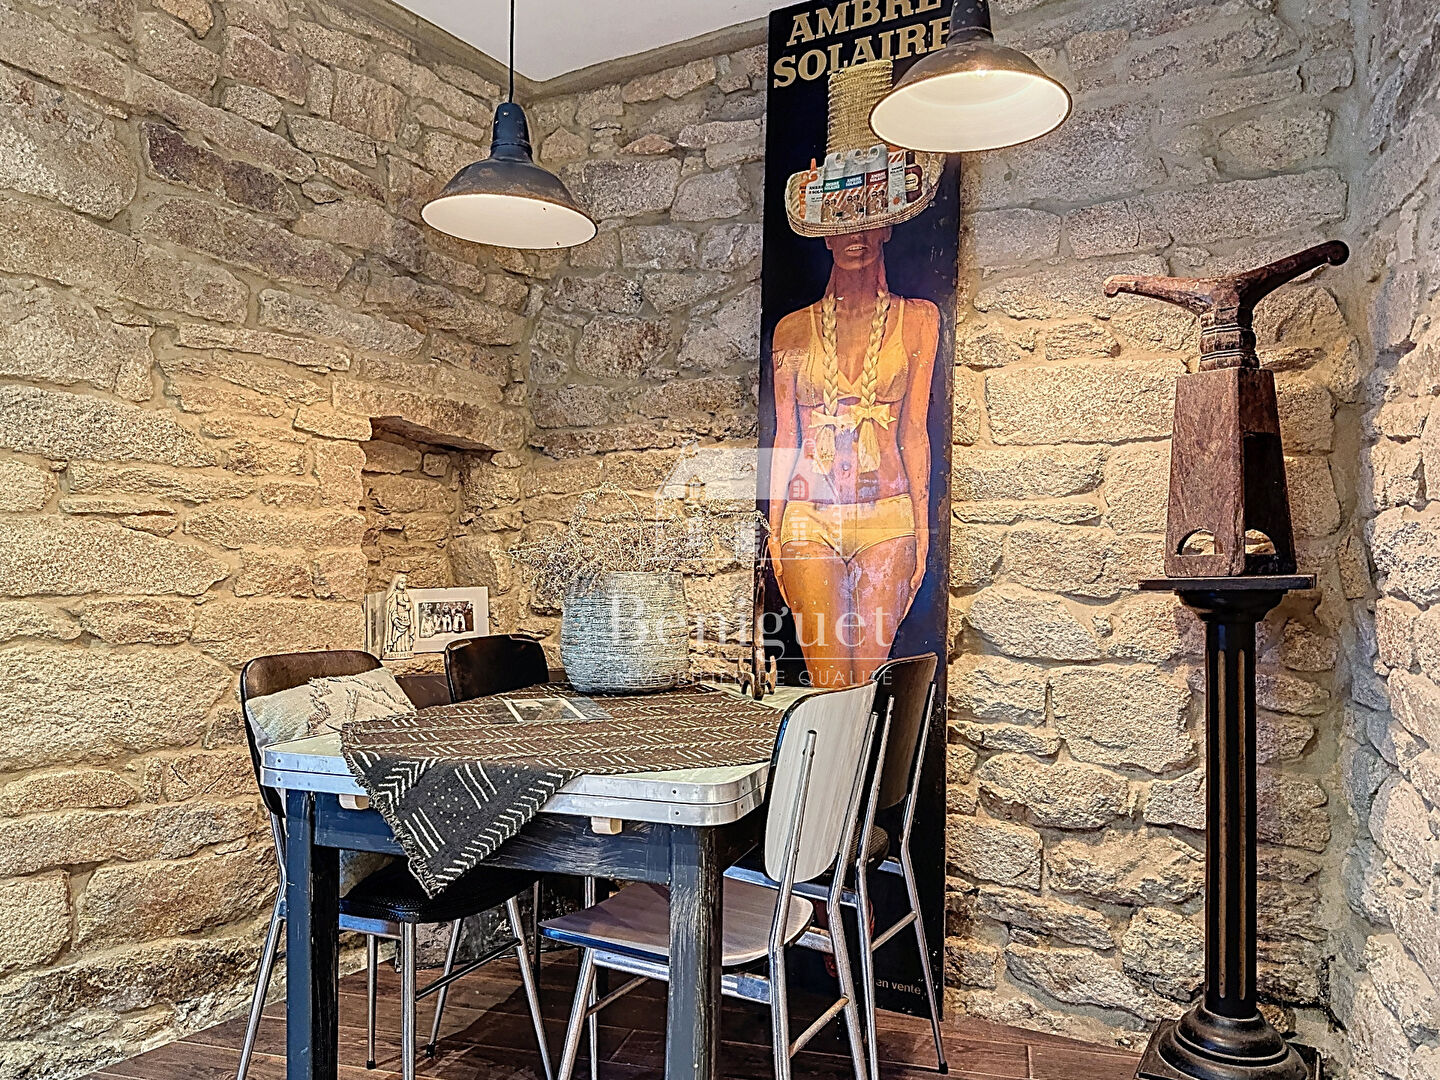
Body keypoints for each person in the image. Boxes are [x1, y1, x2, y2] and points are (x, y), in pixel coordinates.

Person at [765, 59, 943, 689]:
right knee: (827, 686)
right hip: (808, 513)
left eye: (867, 214)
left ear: (888, 222)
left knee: (870, 685)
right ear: (823, 234)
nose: (855, 234)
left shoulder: (918, 320)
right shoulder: (793, 330)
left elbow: (914, 431)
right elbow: (786, 437)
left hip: (887, 511)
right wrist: (773, 525)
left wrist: (922, 524)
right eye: (840, 219)